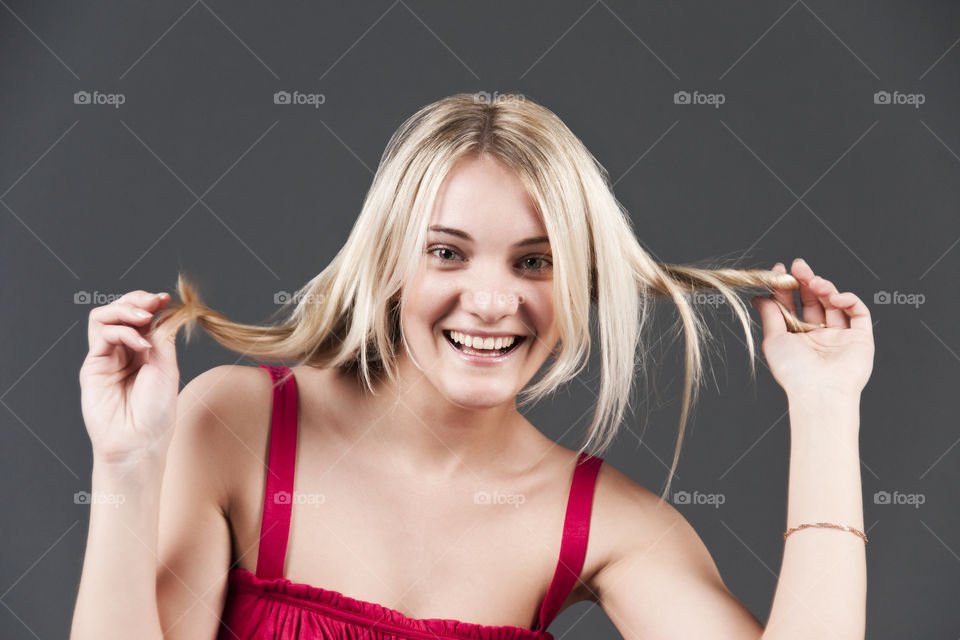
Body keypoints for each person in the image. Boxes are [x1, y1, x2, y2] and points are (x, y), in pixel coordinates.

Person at [70, 93, 874, 640]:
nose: (492, 301)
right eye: (447, 254)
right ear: (389, 264)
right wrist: (125, 467)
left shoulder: (606, 523)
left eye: (536, 262)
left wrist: (827, 405)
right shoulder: (237, 422)